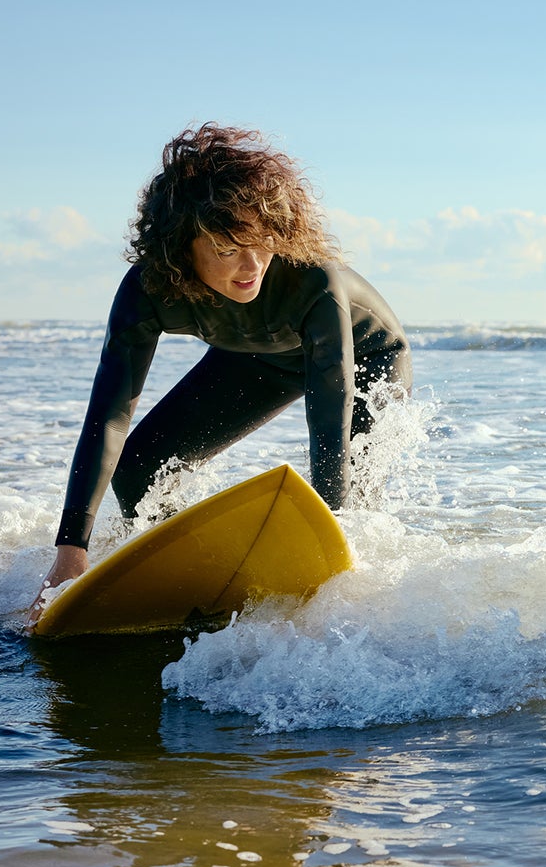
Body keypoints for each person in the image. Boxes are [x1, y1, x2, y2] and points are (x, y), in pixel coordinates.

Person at [30, 123, 410, 615]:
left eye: (263, 241)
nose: (252, 266)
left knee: (347, 497)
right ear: (181, 247)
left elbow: (328, 425)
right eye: (228, 249)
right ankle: (193, 573)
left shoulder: (310, 283)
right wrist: (70, 551)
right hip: (253, 356)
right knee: (141, 468)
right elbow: (110, 413)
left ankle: (356, 600)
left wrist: (329, 538)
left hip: (364, 362)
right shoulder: (149, 289)